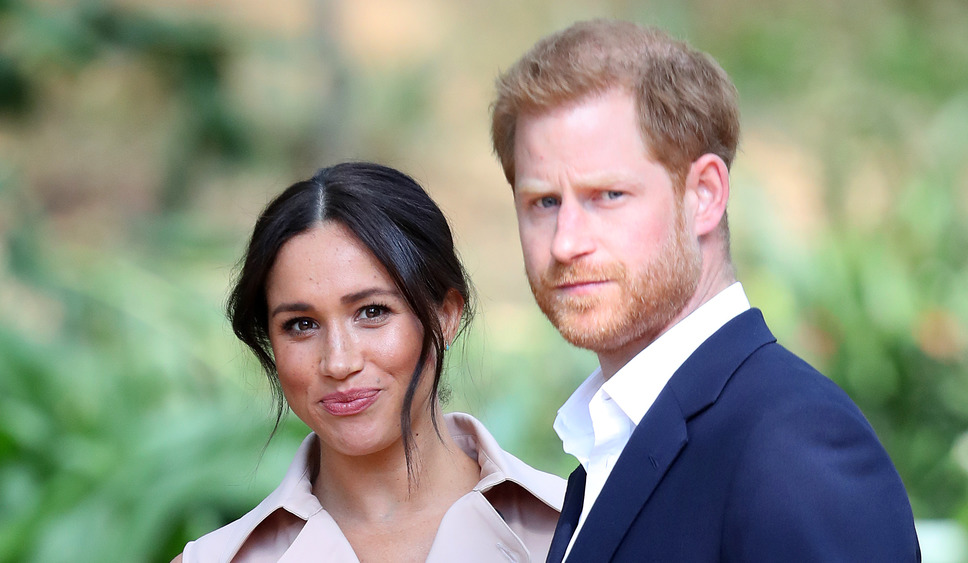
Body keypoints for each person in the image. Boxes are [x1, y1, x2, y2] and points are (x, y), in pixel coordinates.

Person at [490, 19, 920, 562]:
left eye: (607, 194)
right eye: (544, 203)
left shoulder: (794, 446)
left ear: (705, 195)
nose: (565, 242)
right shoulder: (615, 444)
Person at [172, 162, 564, 562]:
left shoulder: (579, 530)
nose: (339, 363)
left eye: (372, 312)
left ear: (446, 315)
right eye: (301, 324)